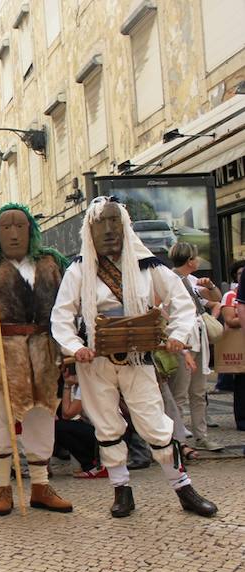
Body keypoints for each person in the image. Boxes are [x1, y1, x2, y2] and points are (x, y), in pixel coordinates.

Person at [51, 197, 217, 518]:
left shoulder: (147, 265)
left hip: (138, 357)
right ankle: (121, 489)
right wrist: (75, 347)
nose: (110, 230)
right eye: (102, 223)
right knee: (107, 426)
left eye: (115, 221)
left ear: (125, 226)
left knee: (154, 423)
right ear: (90, 229)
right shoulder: (78, 270)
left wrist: (178, 337)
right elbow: (61, 317)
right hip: (96, 361)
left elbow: (182, 303)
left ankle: (183, 488)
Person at [0, 203, 73, 516]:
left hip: (42, 350)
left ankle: (40, 485)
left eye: (20, 226)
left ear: (31, 230)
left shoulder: (51, 263)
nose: (13, 234)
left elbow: (66, 306)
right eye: (6, 228)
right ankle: (2, 488)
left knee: (41, 415)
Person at [167, 242, 223, 451]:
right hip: (181, 340)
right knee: (179, 392)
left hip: (197, 339)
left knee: (198, 390)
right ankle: (178, 441)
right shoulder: (168, 279)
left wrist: (210, 286)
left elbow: (215, 299)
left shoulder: (190, 280)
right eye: (196, 257)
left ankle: (201, 436)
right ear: (190, 260)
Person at [56, 368, 104, 479]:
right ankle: (90, 464)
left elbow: (67, 414)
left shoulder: (86, 384)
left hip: (105, 434)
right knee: (63, 428)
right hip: (102, 432)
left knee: (58, 427)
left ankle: (94, 465)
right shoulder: (84, 383)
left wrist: (67, 385)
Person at [221, 260, 245, 429]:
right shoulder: (230, 295)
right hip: (238, 342)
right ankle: (242, 419)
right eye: (239, 274)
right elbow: (229, 320)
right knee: (242, 383)